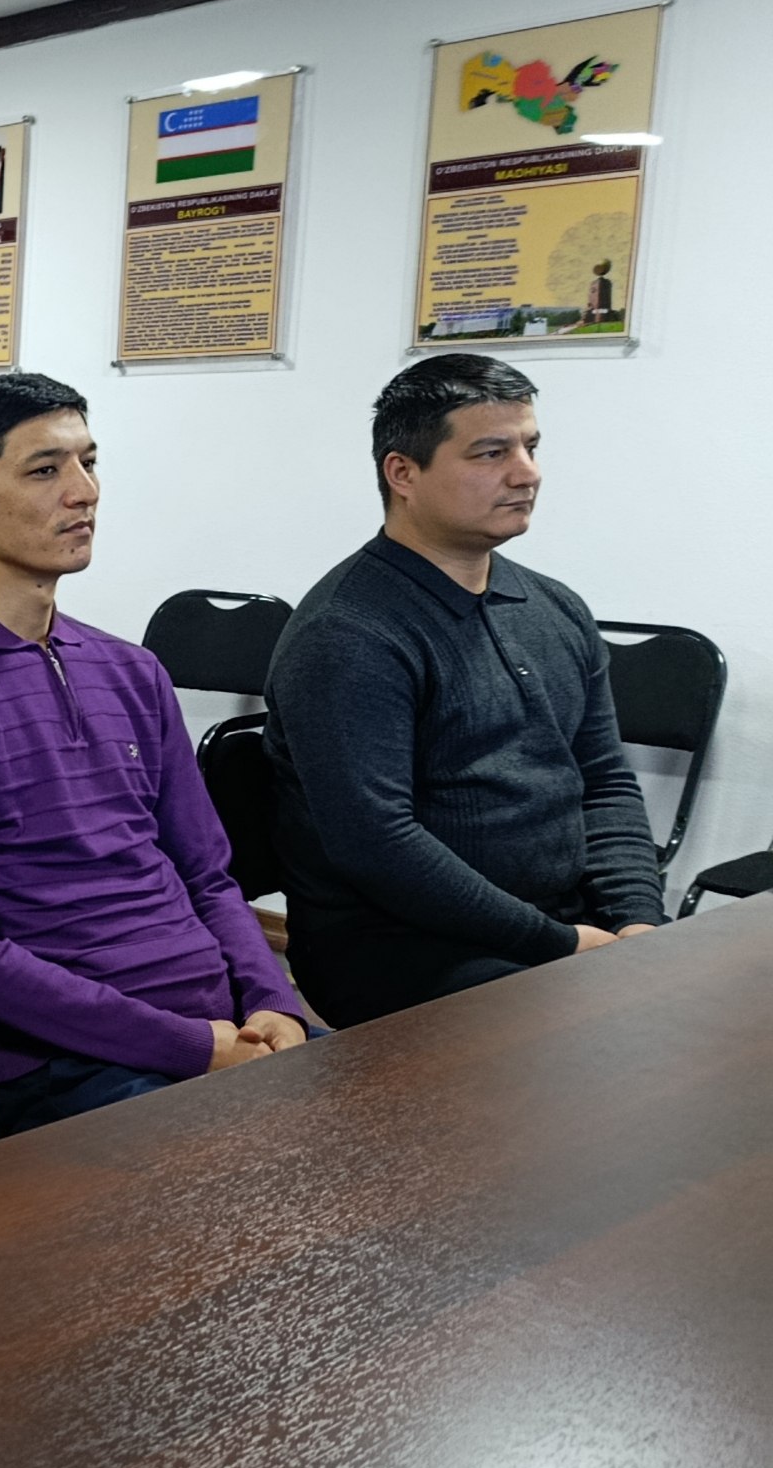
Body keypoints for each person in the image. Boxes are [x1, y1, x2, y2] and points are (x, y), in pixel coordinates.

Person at [0, 372, 303, 1141]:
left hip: (224, 1022)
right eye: (45, 470)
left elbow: (207, 877)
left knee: (398, 1138)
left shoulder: (133, 670)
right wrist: (192, 1047)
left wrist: (275, 1004)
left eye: (88, 463)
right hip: (75, 1064)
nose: (84, 491)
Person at [265, 353, 663, 1027]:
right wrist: (560, 945)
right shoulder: (348, 633)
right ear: (403, 473)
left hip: (555, 926)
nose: (527, 473)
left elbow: (603, 781)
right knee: (606, 1043)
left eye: (530, 447)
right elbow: (381, 846)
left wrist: (637, 922)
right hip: (403, 947)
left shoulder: (556, 607)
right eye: (491, 453)